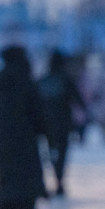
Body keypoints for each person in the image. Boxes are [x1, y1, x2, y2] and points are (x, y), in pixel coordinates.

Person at [0, 45, 48, 209]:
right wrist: (47, 134)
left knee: (6, 188)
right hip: (25, 143)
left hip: (3, 143)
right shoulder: (28, 84)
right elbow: (39, 115)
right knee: (27, 189)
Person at [37, 50, 86, 197]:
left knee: (49, 152)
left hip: (46, 124)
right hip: (63, 123)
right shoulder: (65, 80)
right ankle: (59, 181)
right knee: (62, 154)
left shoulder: (43, 81)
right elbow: (77, 99)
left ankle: (49, 179)